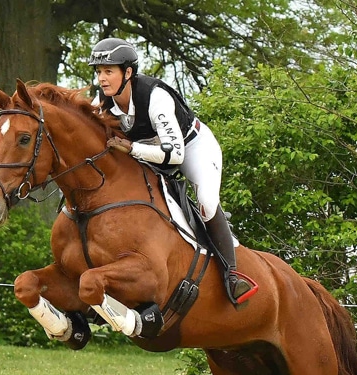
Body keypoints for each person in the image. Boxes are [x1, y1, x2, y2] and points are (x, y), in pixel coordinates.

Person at [88, 37, 257, 307]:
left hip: (191, 147)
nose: (102, 79)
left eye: (109, 71)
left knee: (207, 202)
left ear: (128, 72)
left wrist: (131, 149)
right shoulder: (103, 100)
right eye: (99, 72)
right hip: (149, 151)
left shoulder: (155, 96)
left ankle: (233, 275)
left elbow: (175, 155)